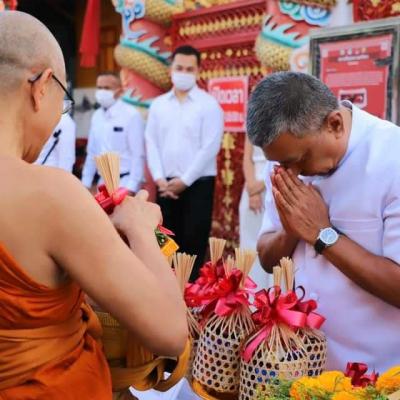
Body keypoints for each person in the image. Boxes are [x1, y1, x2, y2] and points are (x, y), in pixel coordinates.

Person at [0, 11, 187, 399]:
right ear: (41, 87)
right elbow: (170, 333)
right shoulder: (50, 195)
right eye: (63, 102)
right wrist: (139, 227)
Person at [247, 71, 400, 372]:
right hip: (298, 366)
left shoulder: (392, 159)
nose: (293, 172)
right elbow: (267, 259)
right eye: (282, 163)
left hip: (378, 374)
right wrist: (291, 230)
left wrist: (322, 234)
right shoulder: (285, 160)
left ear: (335, 124)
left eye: (300, 159)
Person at [145, 45, 224, 280]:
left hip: (198, 185)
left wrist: (185, 180)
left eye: (190, 69)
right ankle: (164, 290)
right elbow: (151, 142)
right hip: (165, 186)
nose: (184, 73)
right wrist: (159, 178)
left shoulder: (209, 104)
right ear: (171, 69)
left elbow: (210, 147)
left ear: (198, 71)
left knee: (193, 244)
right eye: (179, 67)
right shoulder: (158, 105)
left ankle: (190, 295)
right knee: (164, 244)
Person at [81, 72, 144, 194]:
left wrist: (131, 187)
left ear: (119, 91)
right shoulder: (96, 116)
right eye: (99, 87)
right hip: (102, 183)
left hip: (124, 182)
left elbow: (138, 154)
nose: (102, 91)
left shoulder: (131, 115)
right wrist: (85, 183)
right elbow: (92, 152)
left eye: (107, 88)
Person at [239, 135, 272, 289]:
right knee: (249, 244)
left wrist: (261, 185)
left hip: (275, 183)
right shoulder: (251, 122)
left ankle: (274, 296)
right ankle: (250, 296)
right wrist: (252, 189)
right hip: (251, 187)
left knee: (273, 244)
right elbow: (247, 158)